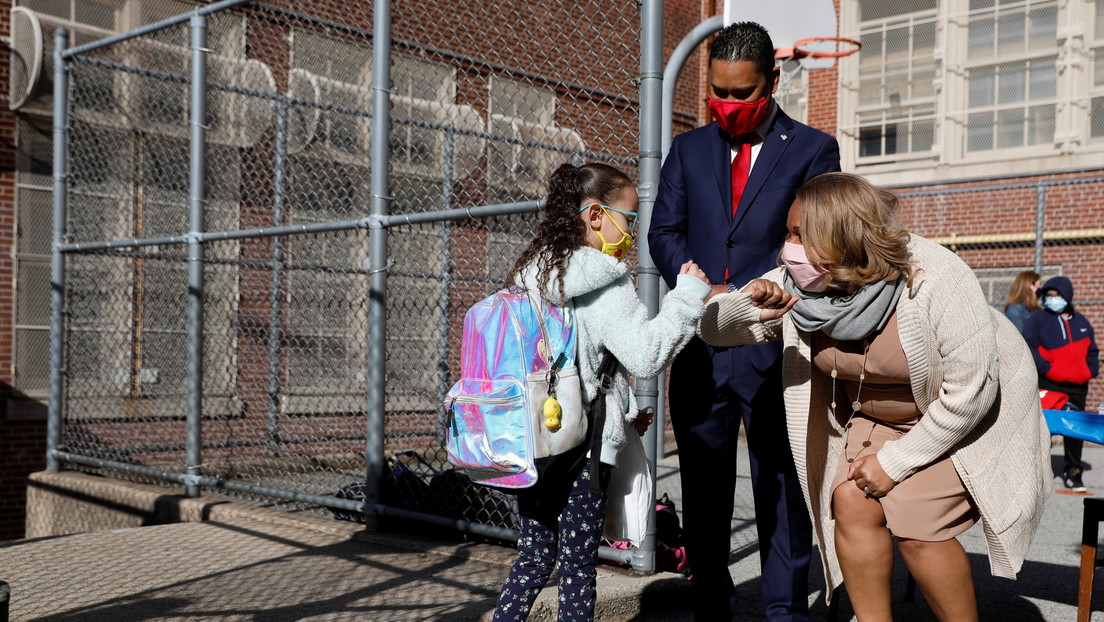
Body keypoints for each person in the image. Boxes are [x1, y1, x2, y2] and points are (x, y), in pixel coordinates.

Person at [698, 172, 1051, 621]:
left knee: (918, 525)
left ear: (841, 237)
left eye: (799, 235)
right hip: (875, 418)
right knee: (849, 500)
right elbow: (712, 331)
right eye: (788, 233)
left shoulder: (935, 277)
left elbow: (970, 393)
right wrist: (747, 303)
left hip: (964, 418)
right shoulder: (801, 280)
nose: (787, 247)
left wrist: (895, 463)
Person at [647, 20, 840, 621]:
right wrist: (693, 278)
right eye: (719, 93)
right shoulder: (688, 149)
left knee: (782, 487)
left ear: (772, 80)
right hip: (702, 343)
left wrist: (770, 285)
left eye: (741, 94)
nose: (728, 106)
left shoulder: (813, 150)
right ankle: (713, 606)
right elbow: (663, 232)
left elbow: (824, 239)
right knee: (704, 492)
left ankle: (784, 611)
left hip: (775, 344)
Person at [492, 162, 710, 621]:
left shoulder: (535, 273)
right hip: (579, 449)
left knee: (533, 559)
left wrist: (623, 412)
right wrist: (687, 296)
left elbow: (573, 360)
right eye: (628, 219)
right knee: (575, 567)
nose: (631, 232)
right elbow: (645, 356)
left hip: (532, 439)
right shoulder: (605, 281)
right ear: (595, 215)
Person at [1022, 276, 1100, 492]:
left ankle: (1074, 473)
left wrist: (1090, 370)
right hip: (1049, 383)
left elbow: (1092, 350)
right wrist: (1046, 368)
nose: (1052, 299)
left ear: (1067, 296)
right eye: (1049, 295)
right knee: (1044, 428)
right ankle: (1036, 474)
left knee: (1076, 430)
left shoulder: (1082, 321)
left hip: (1077, 386)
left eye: (1057, 295)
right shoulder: (1038, 319)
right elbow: (1027, 345)